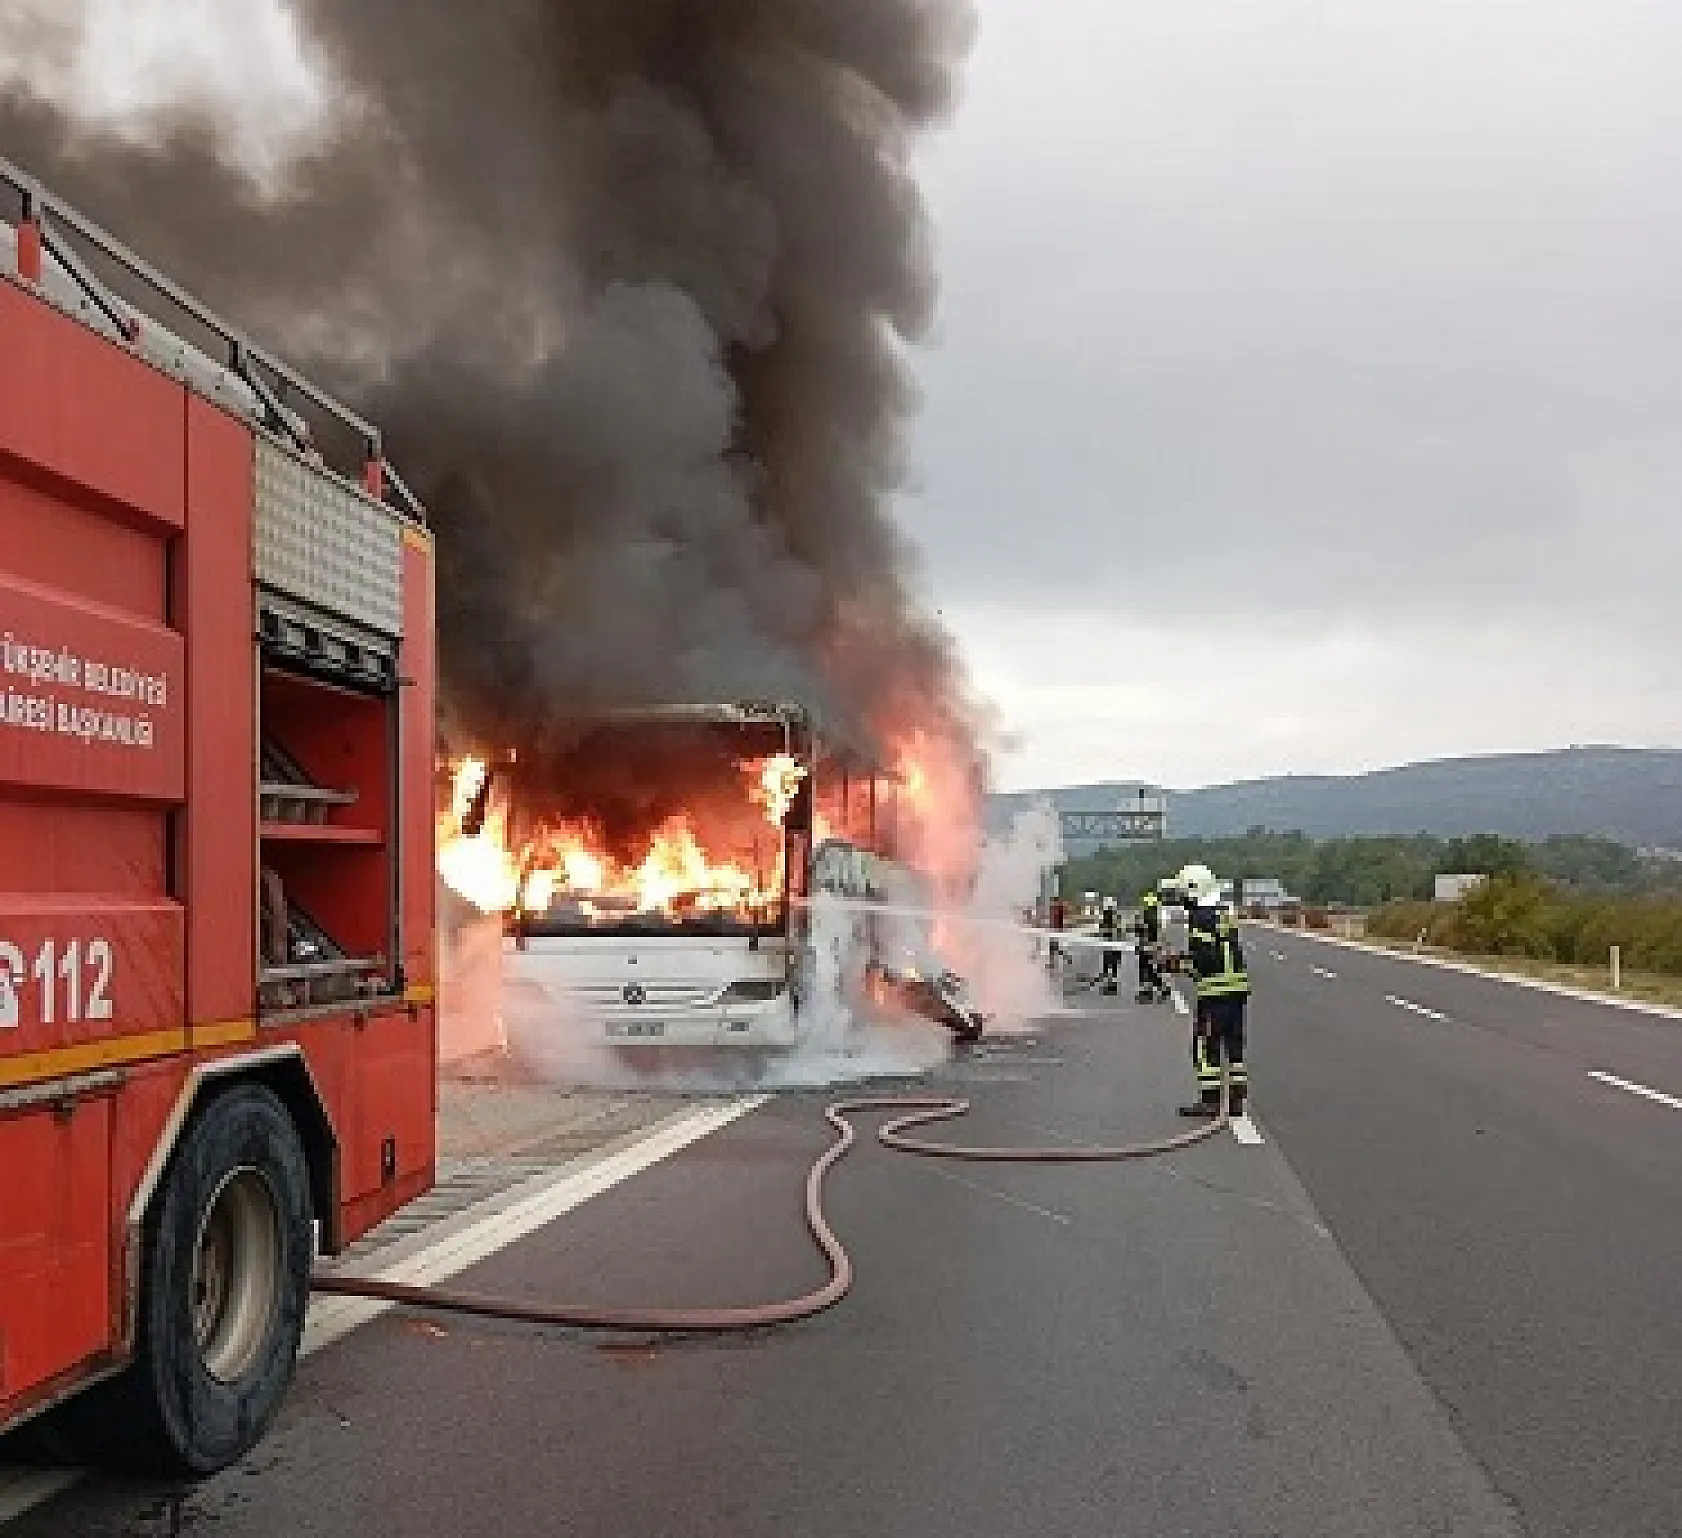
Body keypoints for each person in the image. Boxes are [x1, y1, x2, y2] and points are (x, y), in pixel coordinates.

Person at [1175, 866, 1250, 1118]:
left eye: (1183, 893)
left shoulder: (1199, 919)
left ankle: (1211, 1101)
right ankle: (1237, 1100)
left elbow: (1205, 960)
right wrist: (1186, 957)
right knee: (1234, 1044)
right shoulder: (1222, 914)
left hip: (1215, 992)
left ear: (1193, 890)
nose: (1182, 900)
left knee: (1205, 1046)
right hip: (1236, 990)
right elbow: (1221, 951)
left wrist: (1178, 964)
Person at [1132, 886, 1167, 1002]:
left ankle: (1149, 989)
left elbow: (1139, 930)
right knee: (1150, 968)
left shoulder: (1146, 917)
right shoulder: (1158, 916)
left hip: (1147, 945)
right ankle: (1158, 987)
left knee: (1146, 968)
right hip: (1152, 945)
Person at [1098, 897, 1123, 992]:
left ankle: (1111, 984)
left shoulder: (1112, 919)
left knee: (1110, 966)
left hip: (1112, 947)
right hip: (1111, 947)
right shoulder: (1112, 918)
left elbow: (1115, 932)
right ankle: (1110, 983)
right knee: (1110, 966)